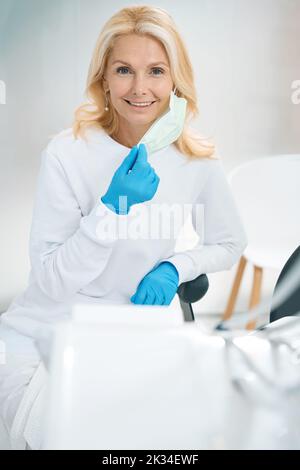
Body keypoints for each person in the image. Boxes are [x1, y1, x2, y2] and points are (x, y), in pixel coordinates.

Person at [0, 5, 247, 449]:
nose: (139, 88)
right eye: (123, 70)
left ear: (175, 81)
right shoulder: (67, 154)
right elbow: (52, 281)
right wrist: (112, 207)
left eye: (155, 70)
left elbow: (229, 242)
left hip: (135, 329)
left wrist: (176, 267)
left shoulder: (197, 161)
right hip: (52, 329)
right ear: (103, 80)